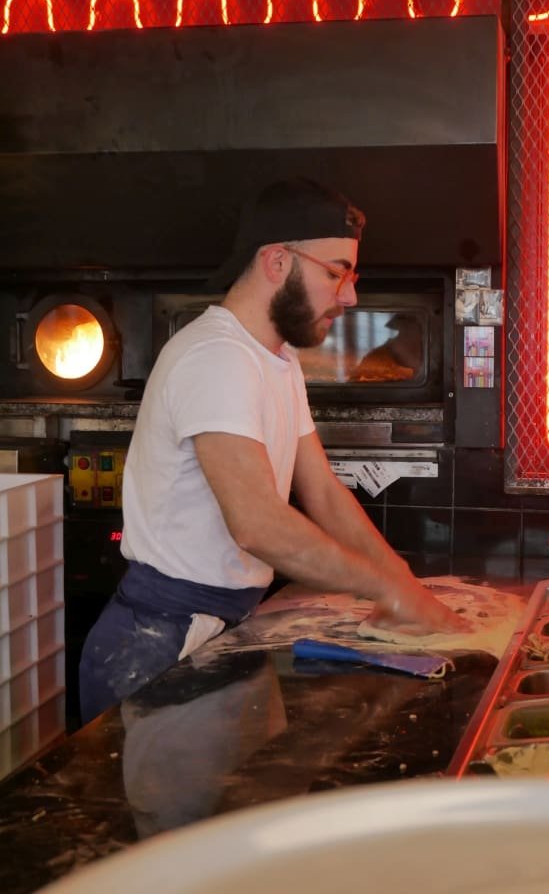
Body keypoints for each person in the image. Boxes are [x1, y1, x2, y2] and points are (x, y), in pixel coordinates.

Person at [79, 177, 467, 723]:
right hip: (157, 646)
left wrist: (401, 580)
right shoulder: (216, 357)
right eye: (337, 272)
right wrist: (384, 588)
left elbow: (324, 493)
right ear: (277, 262)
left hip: (220, 628)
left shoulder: (275, 362)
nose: (350, 296)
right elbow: (258, 523)